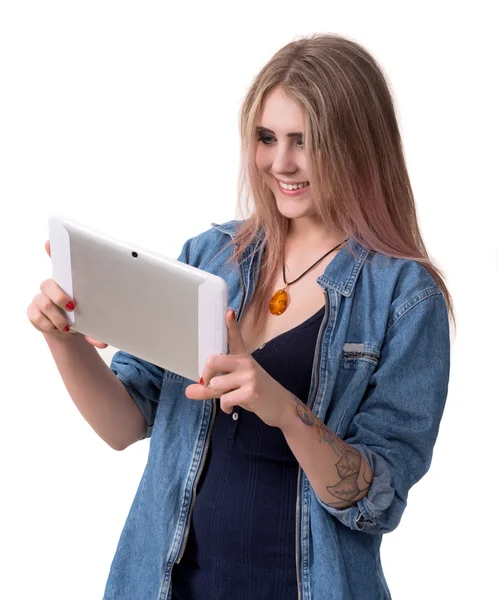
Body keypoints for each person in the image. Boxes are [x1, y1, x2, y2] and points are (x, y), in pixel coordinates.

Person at [27, 33, 453, 600]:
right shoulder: (210, 258)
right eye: (267, 138)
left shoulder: (404, 296)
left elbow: (375, 500)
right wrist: (65, 340)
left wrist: (280, 408)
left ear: (357, 145)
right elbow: (124, 425)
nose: (282, 163)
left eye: (306, 141)